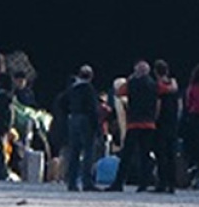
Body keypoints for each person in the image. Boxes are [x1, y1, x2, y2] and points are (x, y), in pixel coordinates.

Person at [107, 61, 157, 192]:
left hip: (134, 123)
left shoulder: (131, 83)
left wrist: (130, 78)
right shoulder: (153, 84)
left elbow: (118, 92)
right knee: (144, 155)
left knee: (127, 155)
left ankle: (118, 183)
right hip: (149, 124)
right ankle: (144, 184)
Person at [64, 64, 99, 192]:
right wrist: (97, 126)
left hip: (73, 119)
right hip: (86, 120)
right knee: (88, 152)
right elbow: (93, 109)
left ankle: (72, 182)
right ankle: (87, 182)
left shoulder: (72, 89)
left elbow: (63, 103)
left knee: (74, 152)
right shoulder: (88, 88)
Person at [154, 60, 181, 192]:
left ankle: (162, 183)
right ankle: (172, 183)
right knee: (172, 154)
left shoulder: (158, 87)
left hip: (162, 123)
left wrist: (155, 119)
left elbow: (158, 106)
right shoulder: (174, 85)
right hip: (173, 122)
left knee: (161, 154)